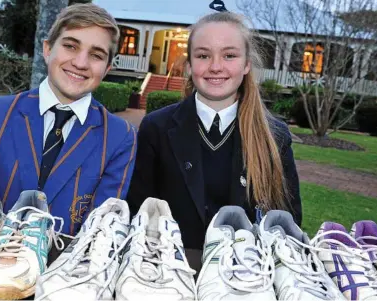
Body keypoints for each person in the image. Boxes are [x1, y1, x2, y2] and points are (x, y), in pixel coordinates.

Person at [0, 3, 137, 235]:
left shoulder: (120, 137)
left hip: (64, 265)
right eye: (70, 46)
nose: (80, 63)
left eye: (96, 55)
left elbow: (101, 227)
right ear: (48, 49)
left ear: (108, 67)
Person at [126, 9, 301, 249]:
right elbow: (139, 211)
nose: (216, 66)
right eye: (203, 56)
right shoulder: (156, 127)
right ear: (189, 65)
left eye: (229, 55)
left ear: (247, 64)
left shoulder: (275, 136)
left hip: (244, 277)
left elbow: (288, 222)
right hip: (170, 272)